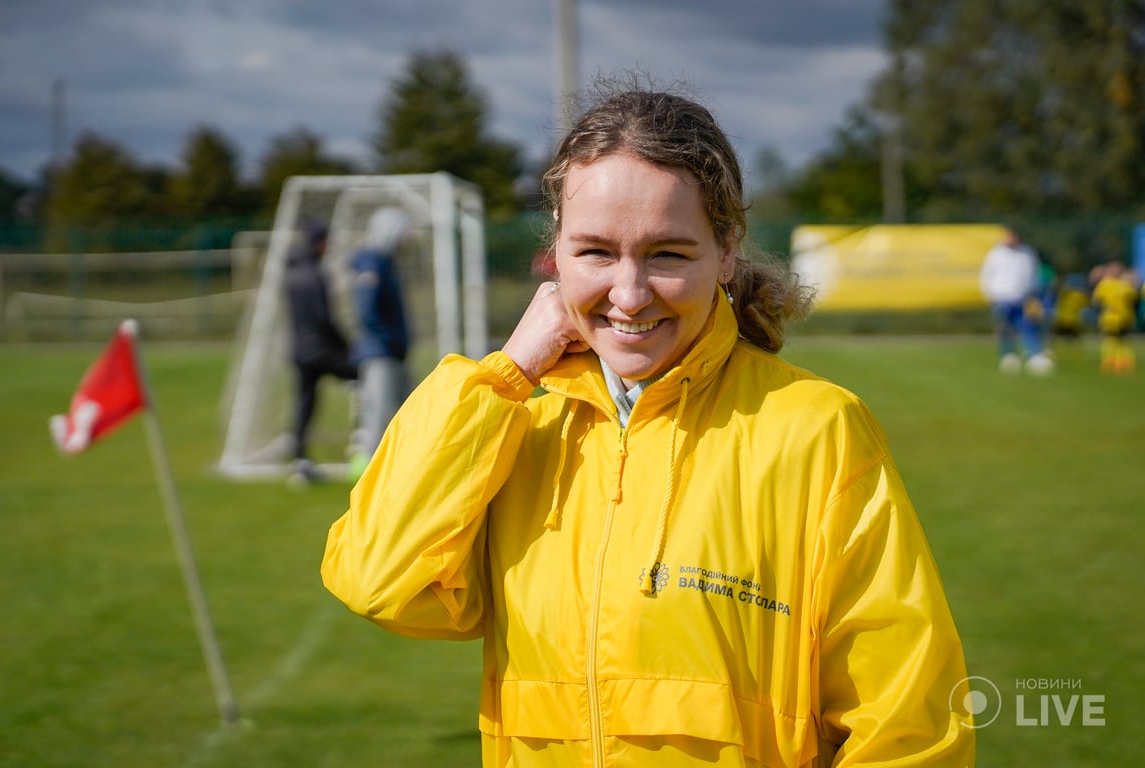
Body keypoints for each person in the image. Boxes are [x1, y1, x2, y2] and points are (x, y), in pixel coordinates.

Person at [322, 86, 975, 766]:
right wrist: (506, 376)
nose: (628, 295)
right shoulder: (520, 421)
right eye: (596, 253)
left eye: (666, 254)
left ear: (726, 252)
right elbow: (379, 580)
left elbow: (908, 727)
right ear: (556, 255)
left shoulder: (815, 430)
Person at [284, 221, 358, 483]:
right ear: (320, 243)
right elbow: (323, 318)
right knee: (363, 376)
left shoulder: (291, 273)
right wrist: (348, 346)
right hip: (322, 350)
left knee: (304, 405)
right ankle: (363, 443)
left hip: (300, 351)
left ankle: (299, 460)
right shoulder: (315, 275)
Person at [347, 207, 412, 479]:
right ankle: (365, 473)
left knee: (395, 408)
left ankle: (389, 468)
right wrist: (387, 338)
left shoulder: (384, 262)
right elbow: (366, 309)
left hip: (390, 351)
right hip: (380, 353)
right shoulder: (373, 263)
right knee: (379, 410)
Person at [978, 228, 1054, 374]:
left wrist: (1032, 293)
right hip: (1001, 297)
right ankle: (1008, 354)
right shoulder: (996, 254)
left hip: (1022, 297)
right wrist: (990, 294)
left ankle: (1034, 354)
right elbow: (986, 275)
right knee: (1004, 327)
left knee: (1027, 325)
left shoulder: (1027, 253)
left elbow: (1033, 274)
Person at [1091, 260, 1138, 373]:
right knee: (1120, 340)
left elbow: (1096, 300)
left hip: (1112, 318)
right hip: (1122, 318)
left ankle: (1112, 361)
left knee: (1112, 340)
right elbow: (1134, 299)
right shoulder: (1125, 285)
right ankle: (1121, 361)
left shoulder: (1105, 284)